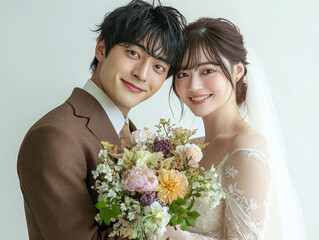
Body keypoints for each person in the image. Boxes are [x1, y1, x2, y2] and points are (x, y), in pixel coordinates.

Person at [17, 1, 186, 239]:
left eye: (158, 66)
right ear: (101, 49)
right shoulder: (54, 136)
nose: (142, 73)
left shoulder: (134, 134)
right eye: (134, 53)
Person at [165, 18, 307, 239]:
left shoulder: (246, 150)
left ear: (238, 70)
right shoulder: (191, 146)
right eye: (183, 74)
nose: (193, 86)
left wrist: (160, 229)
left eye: (207, 71)